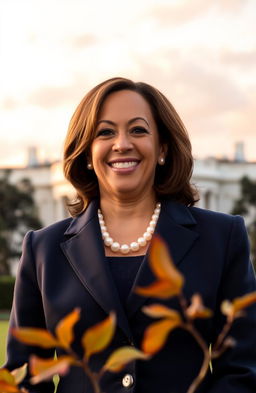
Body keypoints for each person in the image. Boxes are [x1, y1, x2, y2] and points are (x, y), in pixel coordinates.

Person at [5, 77, 256, 393]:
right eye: (105, 132)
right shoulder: (43, 249)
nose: (121, 143)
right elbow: (23, 378)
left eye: (138, 130)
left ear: (162, 147)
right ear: (86, 151)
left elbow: (243, 371)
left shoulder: (221, 238)